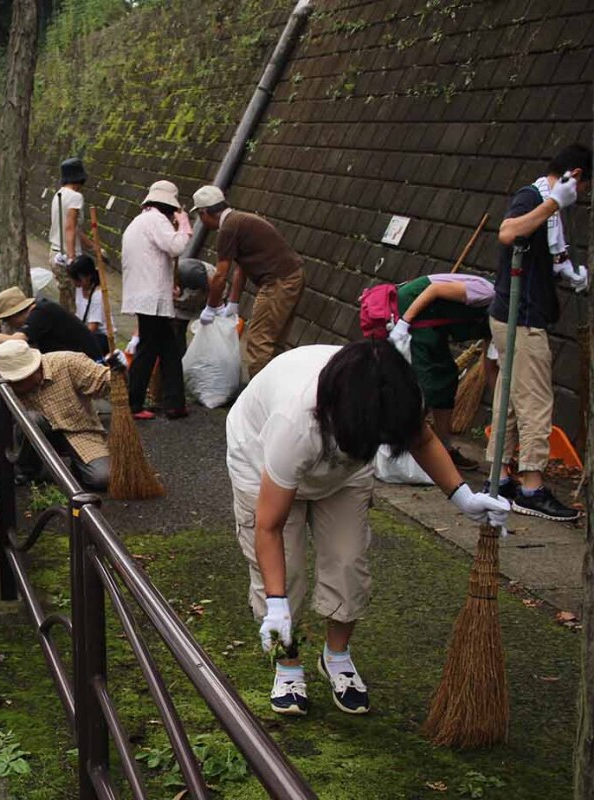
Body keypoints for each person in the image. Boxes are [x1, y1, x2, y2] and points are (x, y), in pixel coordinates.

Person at [227, 341, 509, 717]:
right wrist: (276, 606)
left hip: (345, 471)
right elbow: (269, 526)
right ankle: (288, 663)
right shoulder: (295, 423)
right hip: (261, 462)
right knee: (282, 576)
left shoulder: (391, 394)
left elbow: (421, 438)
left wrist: (463, 498)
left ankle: (336, 656)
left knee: (348, 562)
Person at [486, 143, 591, 522]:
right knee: (535, 403)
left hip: (515, 313)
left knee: (510, 400)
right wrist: (551, 205)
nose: (582, 197)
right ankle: (532, 487)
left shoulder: (549, 208)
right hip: (522, 318)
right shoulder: (534, 199)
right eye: (584, 188)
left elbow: (544, 251)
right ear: (575, 176)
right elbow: (508, 232)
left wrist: (567, 273)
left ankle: (498, 479)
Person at [193, 185, 304, 378]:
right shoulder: (239, 221)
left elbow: (220, 275)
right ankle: (274, 388)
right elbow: (241, 266)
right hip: (292, 275)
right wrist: (234, 303)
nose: (201, 221)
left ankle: (257, 396)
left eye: (199, 216)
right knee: (274, 341)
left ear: (204, 212)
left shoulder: (228, 228)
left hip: (279, 281)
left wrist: (210, 308)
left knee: (258, 341)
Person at [386, 274, 494, 471]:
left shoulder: (502, 320)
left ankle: (443, 447)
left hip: (433, 323)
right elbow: (434, 290)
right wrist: (404, 322)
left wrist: (499, 403)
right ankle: (405, 445)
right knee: (427, 382)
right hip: (413, 309)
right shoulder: (486, 293)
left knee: (446, 376)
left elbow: (491, 364)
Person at [0, 339, 118, 491]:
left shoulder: (68, 362)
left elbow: (105, 382)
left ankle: (79, 466)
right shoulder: (5, 387)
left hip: (79, 430)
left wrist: (118, 372)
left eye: (19, 381)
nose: (16, 386)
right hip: (35, 433)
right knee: (31, 419)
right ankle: (28, 470)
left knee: (103, 478)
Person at [121, 180, 193, 420]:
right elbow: (175, 247)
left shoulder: (139, 221)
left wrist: (166, 285)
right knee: (149, 350)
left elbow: (151, 261)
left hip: (147, 295)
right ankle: (134, 402)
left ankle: (175, 403)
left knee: (168, 349)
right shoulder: (156, 220)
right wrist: (184, 226)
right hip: (151, 299)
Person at [0, 286, 103, 360]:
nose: (9, 325)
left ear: (15, 314)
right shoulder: (41, 309)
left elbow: (15, 341)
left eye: (7, 320)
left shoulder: (41, 313)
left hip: (86, 363)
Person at [48, 158, 96, 312]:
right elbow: (69, 228)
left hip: (54, 253)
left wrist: (92, 246)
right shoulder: (76, 197)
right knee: (73, 307)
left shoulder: (58, 195)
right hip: (66, 257)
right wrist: (71, 259)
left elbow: (74, 228)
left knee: (66, 301)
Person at [67, 255, 110, 354]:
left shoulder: (98, 295)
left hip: (100, 337)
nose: (75, 283)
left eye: (78, 279)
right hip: (84, 331)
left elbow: (92, 327)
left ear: (88, 276)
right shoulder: (79, 289)